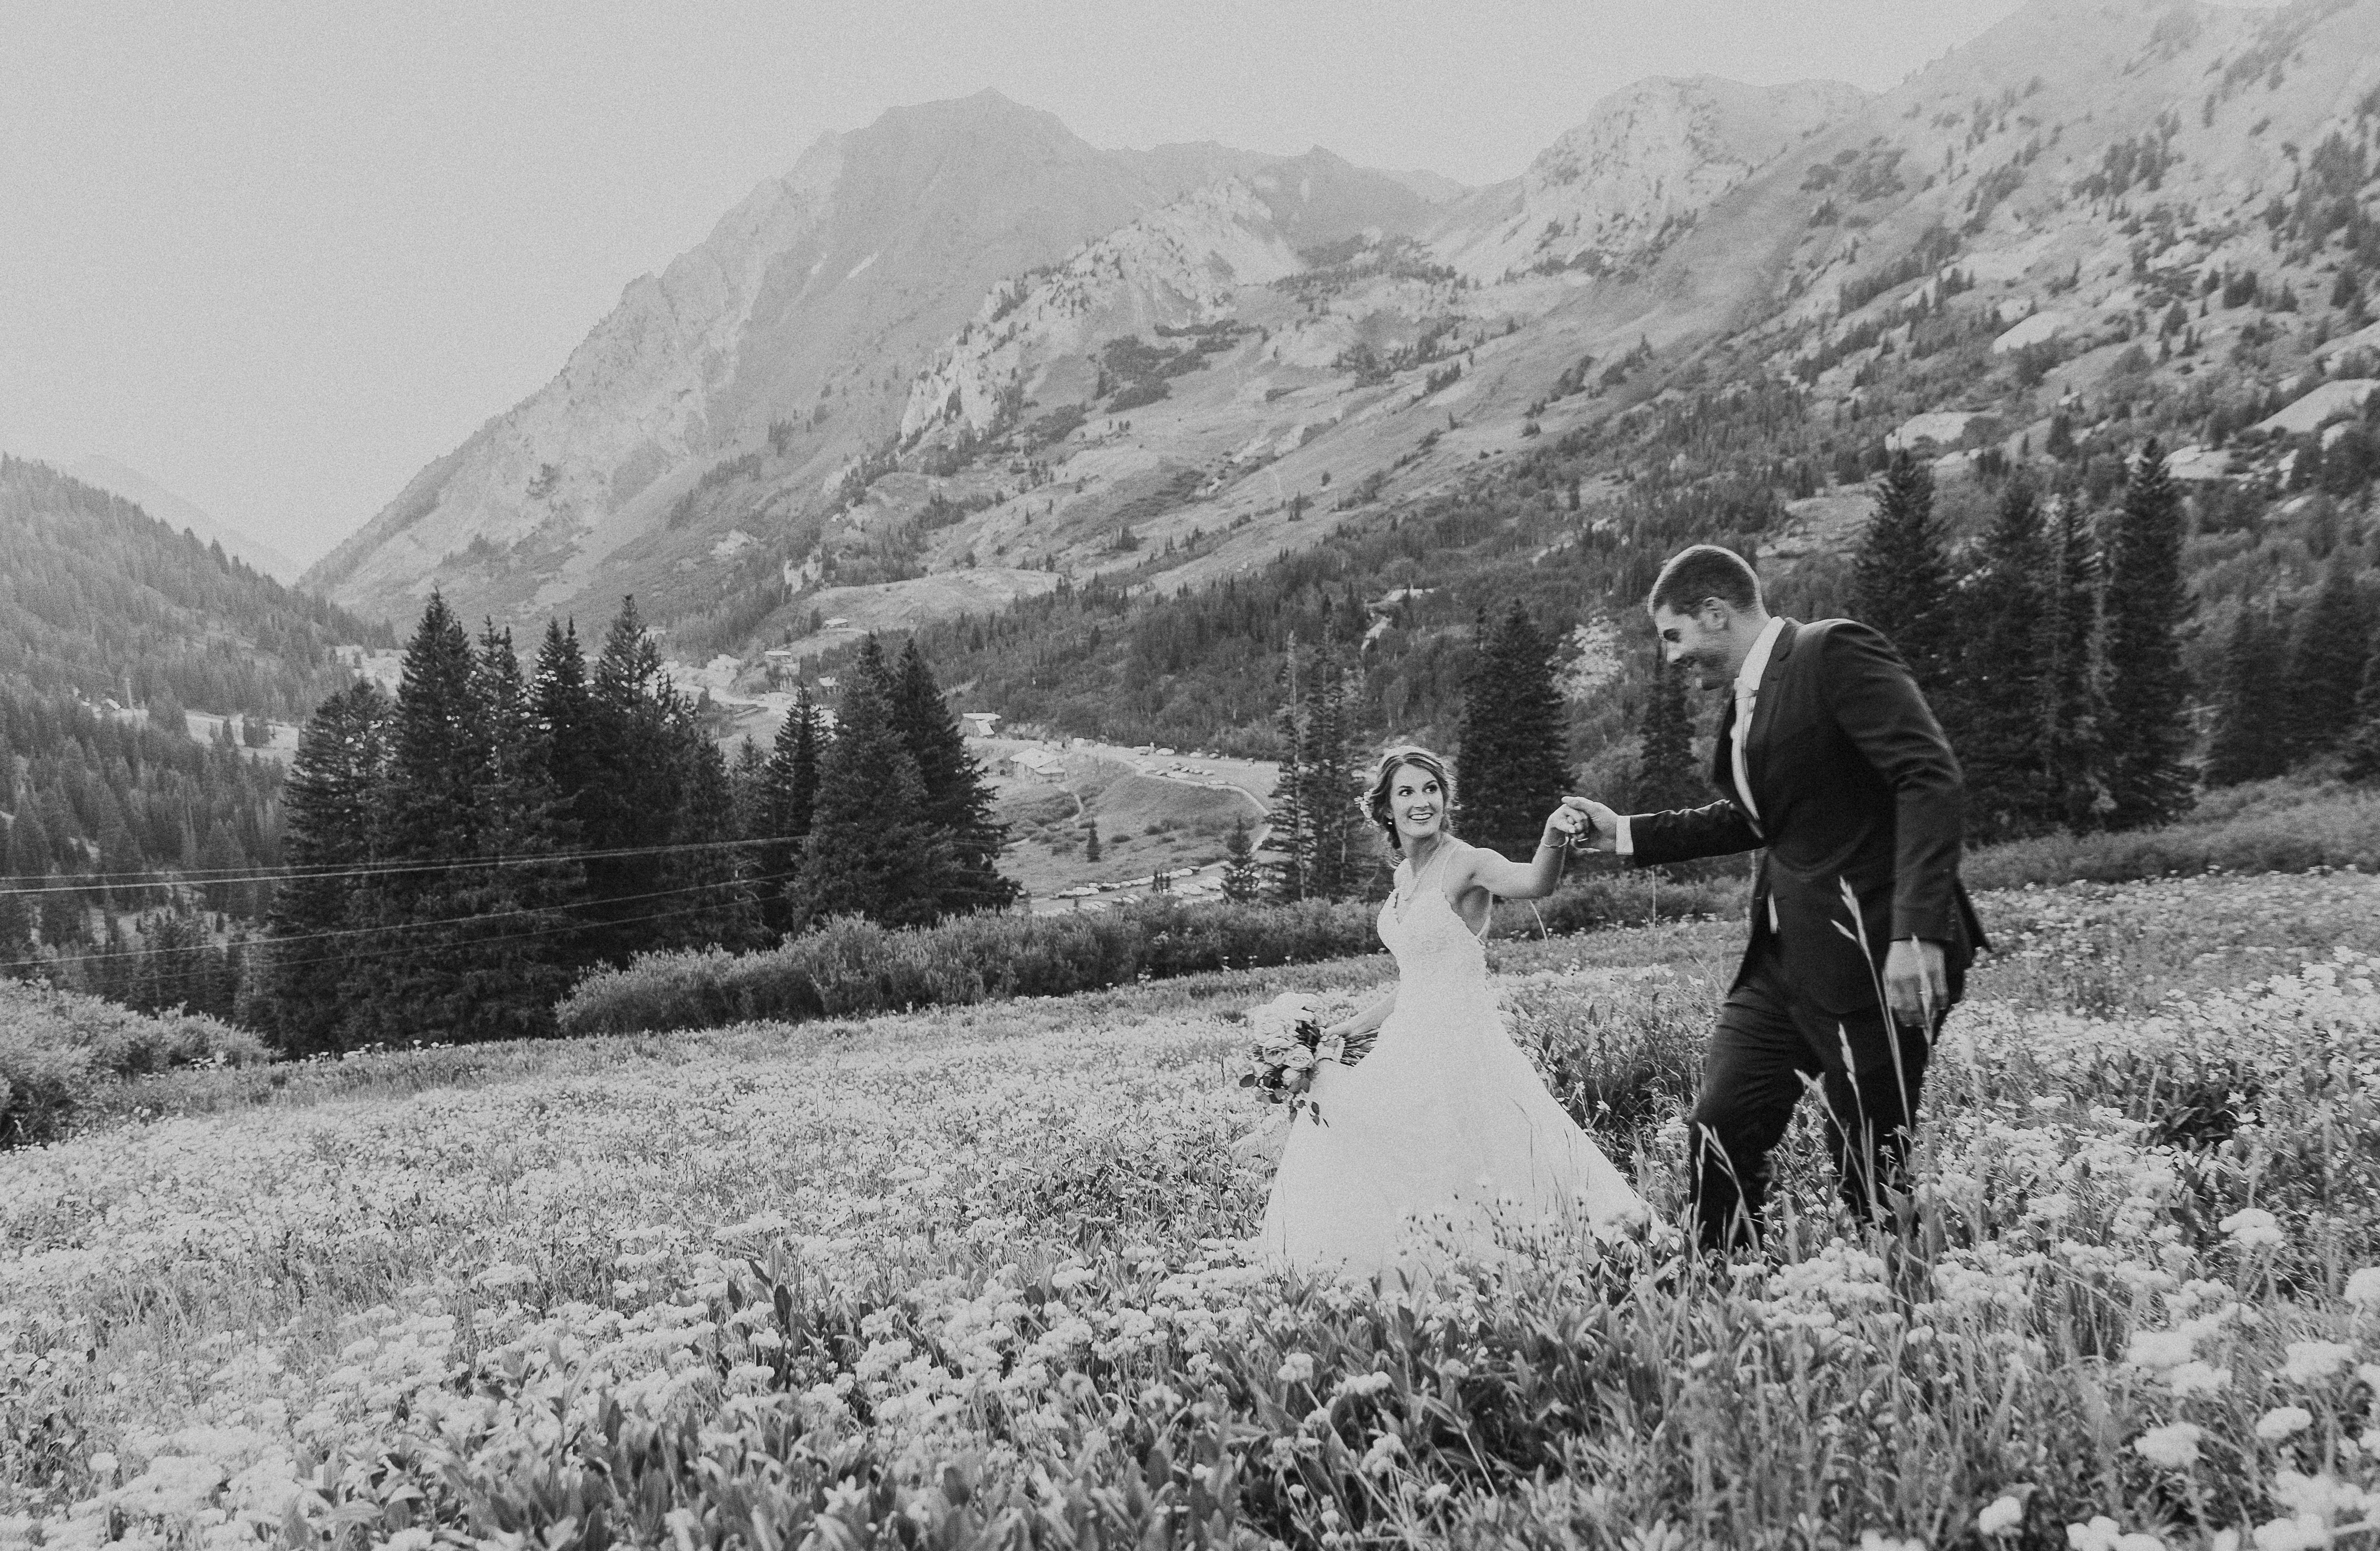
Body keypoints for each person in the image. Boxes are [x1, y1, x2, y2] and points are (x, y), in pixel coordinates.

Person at [1570, 545, 1985, 1253]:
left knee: (1868, 1170)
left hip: (1877, 958)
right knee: (1718, 1127)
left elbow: (1928, 776)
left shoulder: (1832, 652)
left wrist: (1914, 935)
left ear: (1714, 612)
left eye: (1674, 636)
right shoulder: (1744, 705)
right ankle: (1726, 1291)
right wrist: (1625, 835)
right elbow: (1754, 818)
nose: (1670, 658)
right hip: (1779, 962)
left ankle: (1914, 1321)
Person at [1254, 746, 1643, 1280]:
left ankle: (1543, 1262)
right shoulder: (1401, 879)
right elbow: (1417, 978)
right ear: (1385, 808)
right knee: (1401, 1152)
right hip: (1408, 1037)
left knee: (1480, 1154)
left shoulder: (1467, 861)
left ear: (1444, 796)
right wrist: (1356, 1023)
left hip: (1461, 1042)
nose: (1421, 801)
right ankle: (1427, 1265)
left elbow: (1535, 882)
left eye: (1430, 788)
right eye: (1406, 792)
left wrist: (1554, 833)